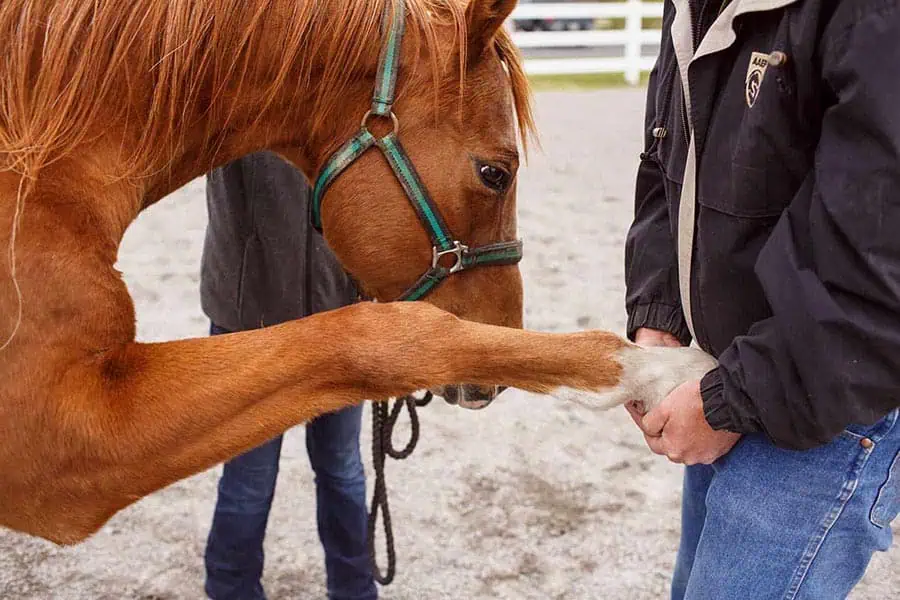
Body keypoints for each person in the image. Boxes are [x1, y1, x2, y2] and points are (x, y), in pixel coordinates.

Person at [623, 0, 900, 598]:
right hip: (730, 374)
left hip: (831, 407)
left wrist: (731, 401)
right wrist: (659, 318)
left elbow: (885, 259)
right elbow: (667, 159)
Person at [199, 151, 377, 600]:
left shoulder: (354, 90)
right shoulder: (235, 85)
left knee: (342, 469)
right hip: (251, 321)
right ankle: (231, 590)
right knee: (250, 480)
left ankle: (355, 590)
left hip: (340, 313)